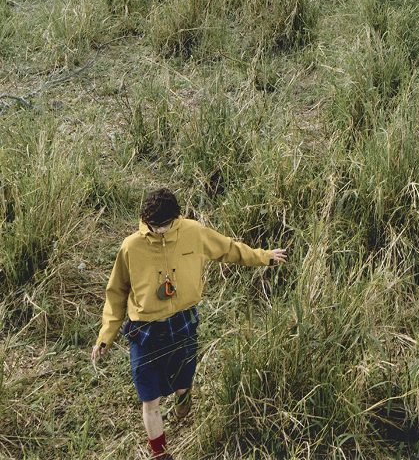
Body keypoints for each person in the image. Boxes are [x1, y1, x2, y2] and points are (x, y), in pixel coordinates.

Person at [91, 187, 287, 460]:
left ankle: (183, 402)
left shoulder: (194, 232)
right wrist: (105, 336)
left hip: (183, 322)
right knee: (150, 398)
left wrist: (263, 256)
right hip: (145, 331)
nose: (158, 231)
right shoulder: (131, 246)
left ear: (177, 218)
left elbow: (229, 249)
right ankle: (160, 454)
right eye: (152, 226)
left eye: (164, 225)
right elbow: (116, 293)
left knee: (184, 380)